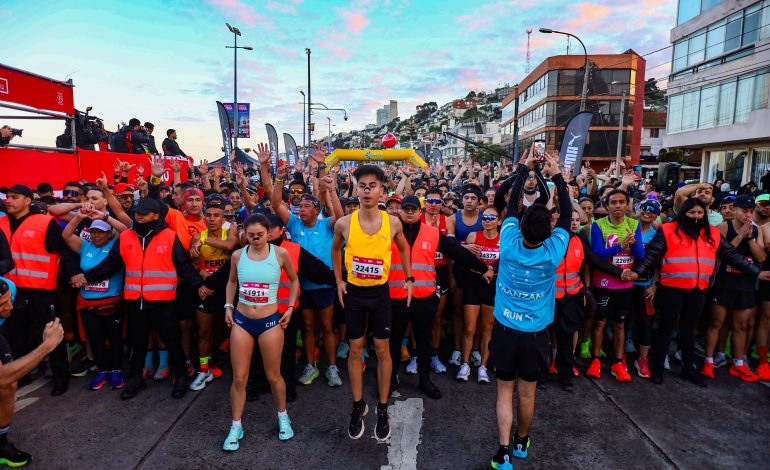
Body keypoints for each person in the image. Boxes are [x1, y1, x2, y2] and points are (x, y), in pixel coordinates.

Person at [74, 197, 208, 399]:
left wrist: (199, 285)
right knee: (138, 344)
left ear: (156, 216)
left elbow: (184, 266)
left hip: (163, 303)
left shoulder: (170, 237)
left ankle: (181, 377)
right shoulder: (126, 237)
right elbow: (109, 265)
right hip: (135, 302)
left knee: (173, 342)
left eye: (144, 214)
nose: (139, 217)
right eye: (137, 213)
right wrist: (86, 277)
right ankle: (135, 379)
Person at [629, 197, 770, 386]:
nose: (696, 216)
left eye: (700, 213)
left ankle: (688, 369)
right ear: (683, 213)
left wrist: (756, 273)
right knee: (666, 330)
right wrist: (635, 272)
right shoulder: (668, 230)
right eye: (691, 212)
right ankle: (658, 369)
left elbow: (732, 256)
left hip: (698, 290)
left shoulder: (711, 233)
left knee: (688, 332)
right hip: (672, 289)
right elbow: (652, 255)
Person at [489, 151, 571, 468]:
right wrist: (558, 176)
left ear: (520, 225)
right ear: (548, 231)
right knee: (527, 395)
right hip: (535, 334)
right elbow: (564, 216)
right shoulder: (554, 250)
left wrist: (524, 169)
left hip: (506, 331)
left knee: (503, 393)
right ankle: (521, 441)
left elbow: (509, 205)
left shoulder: (508, 241)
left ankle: (503, 452)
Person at [331, 164, 413, 442]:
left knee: (382, 350)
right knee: (355, 350)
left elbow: (403, 247)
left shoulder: (392, 222)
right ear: (356, 188)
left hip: (380, 294)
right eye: (362, 186)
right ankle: (357, 406)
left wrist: (409, 278)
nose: (367, 190)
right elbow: (334, 249)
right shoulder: (344, 222)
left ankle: (381, 407)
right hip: (354, 294)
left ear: (382, 190)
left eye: (372, 186)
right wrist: (339, 280)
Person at [389, 195, 492, 399]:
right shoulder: (389, 231)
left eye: (413, 210)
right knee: (393, 342)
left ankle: (424, 379)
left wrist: (483, 267)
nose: (409, 213)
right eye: (406, 209)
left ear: (420, 212)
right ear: (400, 212)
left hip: (423, 296)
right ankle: (391, 379)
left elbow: (457, 253)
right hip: (396, 296)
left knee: (424, 340)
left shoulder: (432, 233)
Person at [222, 214, 299, 451]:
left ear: (269, 233)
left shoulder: (280, 254)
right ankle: (236, 425)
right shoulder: (238, 255)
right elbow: (232, 282)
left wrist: (289, 308)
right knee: (239, 377)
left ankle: (283, 416)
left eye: (260, 235)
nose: (255, 239)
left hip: (270, 322)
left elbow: (295, 281)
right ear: (245, 232)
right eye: (251, 235)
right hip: (242, 321)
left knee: (274, 375)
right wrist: (228, 306)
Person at [269, 145, 344, 388]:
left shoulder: (326, 225)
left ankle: (331, 367)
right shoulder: (293, 225)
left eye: (306, 206)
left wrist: (327, 182)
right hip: (302, 286)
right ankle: (311, 366)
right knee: (309, 327)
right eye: (299, 206)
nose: (301, 209)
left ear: (317, 210)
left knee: (327, 327)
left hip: (324, 285)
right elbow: (276, 201)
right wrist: (279, 178)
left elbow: (341, 216)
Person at [0, 184, 80, 396]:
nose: (8, 200)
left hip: (41, 292)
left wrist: (73, 273)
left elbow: (65, 251)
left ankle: (61, 377)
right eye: (7, 196)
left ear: (28, 200)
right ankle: (22, 376)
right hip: (11, 293)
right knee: (16, 337)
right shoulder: (1, 223)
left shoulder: (45, 223)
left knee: (50, 336)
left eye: (14, 197)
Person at [0, 278, 64, 467]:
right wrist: (46, 347)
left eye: (10, 300)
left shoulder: (5, 285)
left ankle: (1, 443)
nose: (10, 308)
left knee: (8, 385)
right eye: (3, 305)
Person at [701, 195, 764, 382]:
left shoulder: (755, 230)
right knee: (717, 322)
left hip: (744, 284)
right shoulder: (723, 227)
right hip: (724, 282)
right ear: (735, 210)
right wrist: (740, 235)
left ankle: (738, 363)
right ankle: (709, 360)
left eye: (751, 211)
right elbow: (721, 253)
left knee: (741, 325)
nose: (748, 214)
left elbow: (760, 258)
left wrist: (750, 238)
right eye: (745, 210)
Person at [62, 211, 126, 391]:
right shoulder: (85, 246)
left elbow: (126, 229)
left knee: (115, 339)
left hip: (111, 303)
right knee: (96, 339)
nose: (96, 235)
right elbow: (66, 235)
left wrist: (105, 216)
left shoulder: (115, 245)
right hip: (88, 304)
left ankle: (116, 370)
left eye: (101, 232)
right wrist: (79, 216)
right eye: (94, 231)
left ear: (109, 234)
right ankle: (102, 370)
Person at [587, 189, 645, 382]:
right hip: (603, 282)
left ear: (627, 204)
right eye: (614, 202)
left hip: (625, 284)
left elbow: (640, 256)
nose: (618, 206)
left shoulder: (634, 224)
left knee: (620, 323)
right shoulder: (598, 225)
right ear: (607, 205)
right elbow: (598, 255)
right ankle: (595, 359)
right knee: (600, 322)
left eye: (622, 202)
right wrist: (622, 245)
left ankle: (619, 362)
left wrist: (634, 243)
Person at [188, 195, 238, 391]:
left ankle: (234, 368)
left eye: (216, 215)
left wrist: (205, 241)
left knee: (227, 332)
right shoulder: (196, 238)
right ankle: (203, 369)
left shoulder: (229, 232)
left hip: (227, 291)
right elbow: (190, 263)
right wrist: (198, 270)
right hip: (206, 291)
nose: (211, 219)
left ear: (223, 218)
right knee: (203, 332)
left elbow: (231, 246)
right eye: (208, 215)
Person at [457, 206, 501, 384]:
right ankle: (465, 363)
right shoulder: (473, 236)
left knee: (487, 329)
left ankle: (483, 366)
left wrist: (492, 271)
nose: (487, 220)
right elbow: (465, 261)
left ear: (499, 221)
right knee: (469, 327)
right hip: (474, 283)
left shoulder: (504, 239)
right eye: (485, 217)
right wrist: (467, 249)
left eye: (492, 217)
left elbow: (507, 261)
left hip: (492, 286)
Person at [421, 187, 455, 374]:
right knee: (418, 317)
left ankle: (434, 355)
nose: (433, 205)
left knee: (436, 317)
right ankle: (418, 355)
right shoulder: (417, 218)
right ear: (424, 203)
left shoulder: (447, 220)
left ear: (442, 204)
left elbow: (450, 248)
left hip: (440, 272)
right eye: (430, 201)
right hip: (420, 273)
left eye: (437, 202)